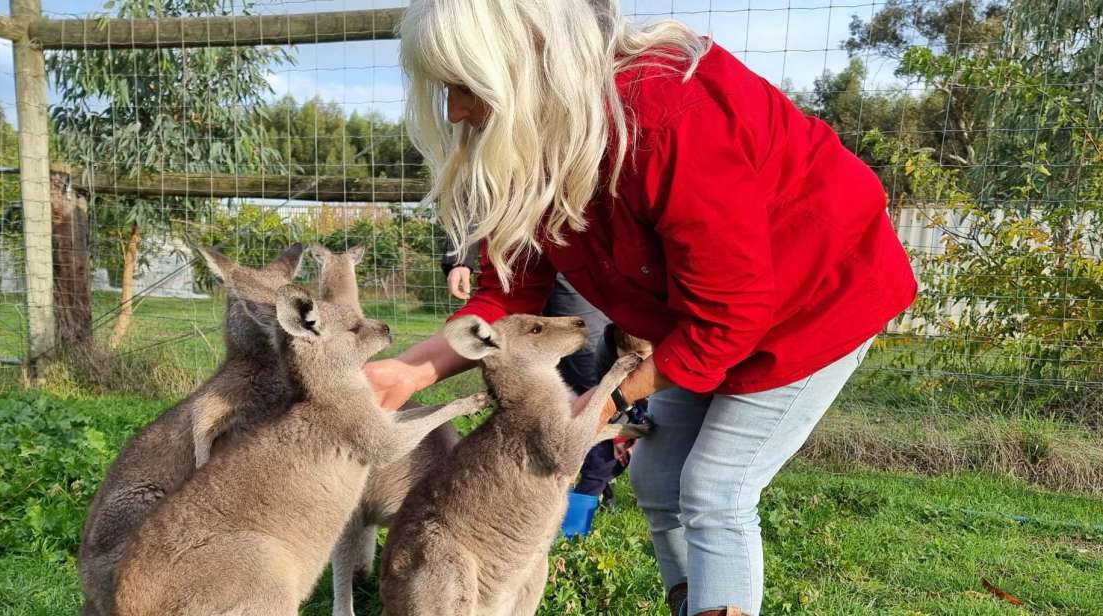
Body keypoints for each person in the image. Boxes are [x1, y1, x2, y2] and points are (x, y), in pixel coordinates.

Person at [367, 2, 917, 615]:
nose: (457, 111)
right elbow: (515, 282)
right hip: (702, 315)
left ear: (527, 64)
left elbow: (730, 316)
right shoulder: (549, 138)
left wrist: (611, 396)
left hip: (813, 304)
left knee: (716, 489)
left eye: (466, 87)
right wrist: (413, 370)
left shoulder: (670, 119)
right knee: (658, 480)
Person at [444, 239, 627, 507]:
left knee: (585, 367)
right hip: (514, 257)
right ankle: (570, 485)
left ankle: (594, 484)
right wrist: (459, 258)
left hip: (570, 253)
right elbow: (475, 208)